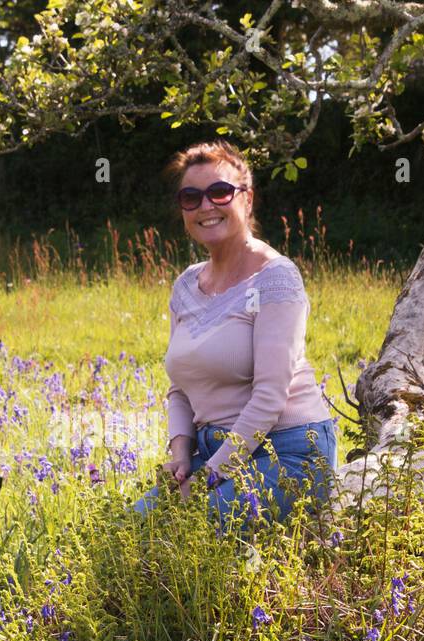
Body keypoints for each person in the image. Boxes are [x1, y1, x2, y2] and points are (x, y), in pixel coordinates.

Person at [132, 139, 337, 530]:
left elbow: (271, 395)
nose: (206, 206)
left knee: (186, 532)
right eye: (191, 197)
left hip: (289, 451)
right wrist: (180, 456)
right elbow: (179, 389)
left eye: (220, 192)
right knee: (133, 530)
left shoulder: (276, 278)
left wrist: (209, 476)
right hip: (214, 449)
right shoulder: (187, 285)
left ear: (247, 198)